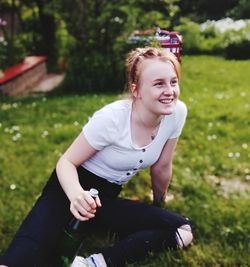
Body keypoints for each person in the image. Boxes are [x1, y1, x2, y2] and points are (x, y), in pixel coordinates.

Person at [0, 47, 193, 267]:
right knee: (21, 258)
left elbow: (162, 165)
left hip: (105, 199)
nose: (169, 91)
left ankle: (95, 263)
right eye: (159, 83)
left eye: (173, 82)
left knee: (182, 230)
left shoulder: (176, 112)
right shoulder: (111, 119)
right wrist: (76, 195)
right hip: (68, 189)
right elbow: (66, 162)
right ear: (136, 89)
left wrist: (158, 207)